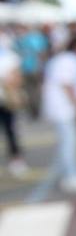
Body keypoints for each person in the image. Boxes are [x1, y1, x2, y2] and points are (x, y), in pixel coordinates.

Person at [42, 33, 76, 194]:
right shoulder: (69, 61)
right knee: (70, 142)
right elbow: (68, 87)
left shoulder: (65, 59)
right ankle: (73, 176)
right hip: (62, 109)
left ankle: (70, 174)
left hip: (62, 108)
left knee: (69, 142)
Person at [0, 30, 27, 174]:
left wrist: (9, 82)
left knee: (10, 130)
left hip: (6, 101)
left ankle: (16, 159)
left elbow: (18, 78)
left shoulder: (10, 57)